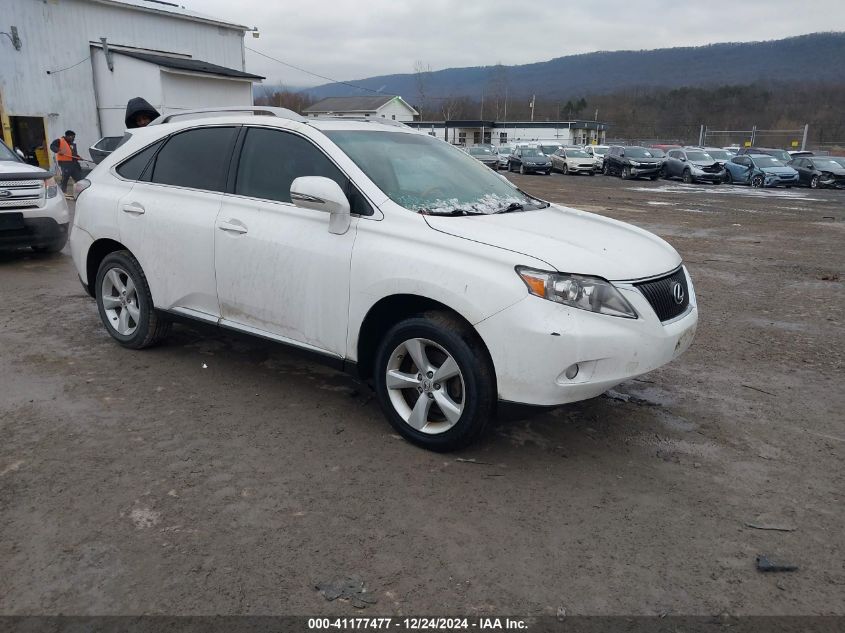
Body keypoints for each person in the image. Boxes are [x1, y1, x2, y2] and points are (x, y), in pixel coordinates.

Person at [50, 130, 82, 195]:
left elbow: (73, 154)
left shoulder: (72, 144)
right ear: (68, 136)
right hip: (65, 163)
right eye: (73, 137)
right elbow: (52, 146)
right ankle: (63, 192)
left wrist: (78, 157)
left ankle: (79, 192)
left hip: (74, 163)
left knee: (79, 178)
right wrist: (58, 150)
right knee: (65, 178)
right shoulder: (59, 141)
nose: (74, 138)